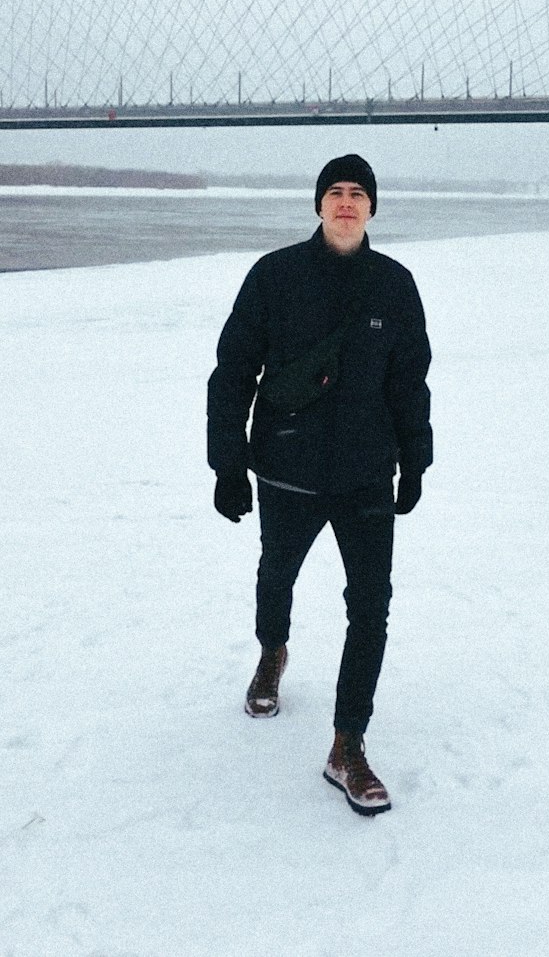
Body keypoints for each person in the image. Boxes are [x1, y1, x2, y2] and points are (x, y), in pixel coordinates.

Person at [207, 154, 432, 816]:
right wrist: (228, 465)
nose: (345, 201)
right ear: (317, 204)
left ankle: (347, 744)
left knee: (371, 606)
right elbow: (233, 372)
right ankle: (272, 650)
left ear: (372, 208)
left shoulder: (396, 284)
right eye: (334, 190)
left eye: (357, 192)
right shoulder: (275, 276)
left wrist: (415, 459)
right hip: (288, 470)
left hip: (365, 472)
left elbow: (409, 380)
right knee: (276, 576)